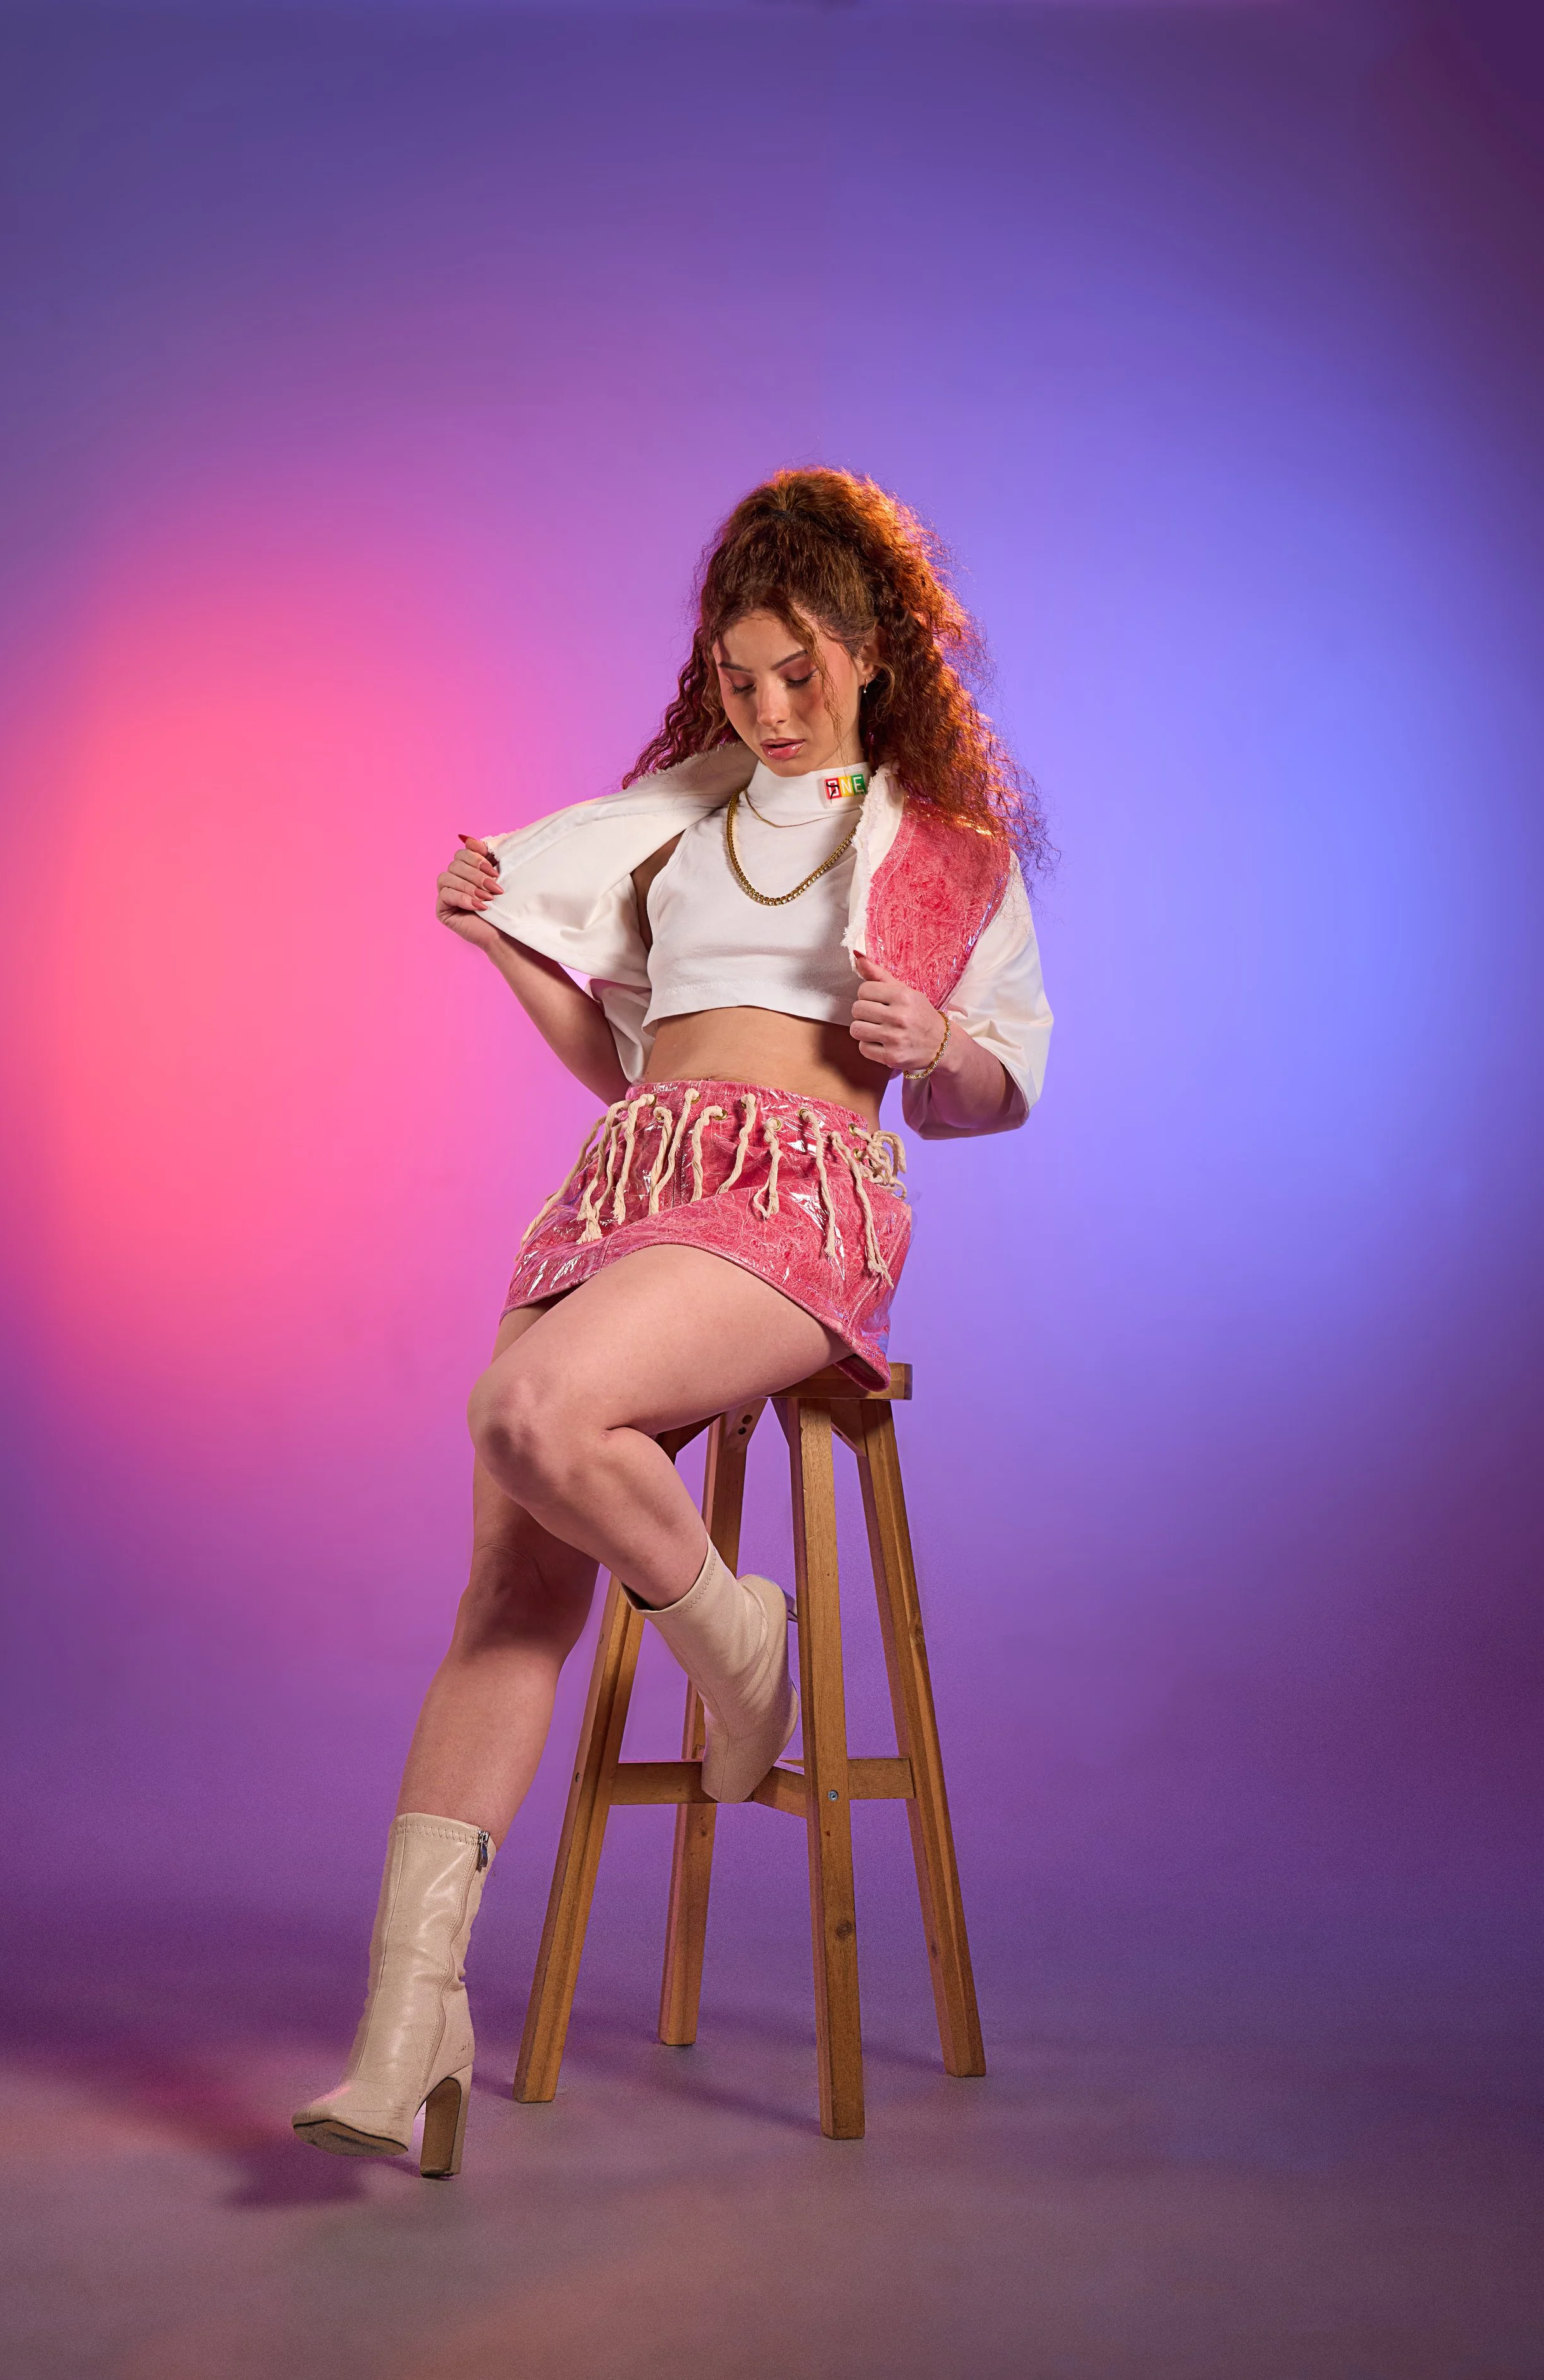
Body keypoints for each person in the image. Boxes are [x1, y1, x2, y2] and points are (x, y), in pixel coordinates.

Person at [291, 468, 1053, 2176]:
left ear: (871, 653)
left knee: (530, 1410)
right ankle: (408, 2034)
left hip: (801, 1199)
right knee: (507, 1591)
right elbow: (629, 1063)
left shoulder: (943, 851)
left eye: (800, 674)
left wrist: (938, 1045)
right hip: (631, 1179)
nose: (769, 710)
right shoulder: (682, 827)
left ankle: (736, 1637)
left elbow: (993, 1091)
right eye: (738, 677)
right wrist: (508, 946)